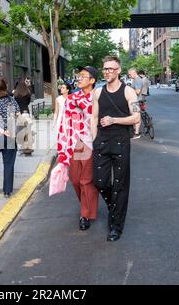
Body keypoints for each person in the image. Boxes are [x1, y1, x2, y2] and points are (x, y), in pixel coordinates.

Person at [91, 55, 140, 242]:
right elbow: (94, 118)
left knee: (120, 185)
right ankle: (115, 207)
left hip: (121, 142)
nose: (107, 72)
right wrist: (93, 140)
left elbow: (136, 117)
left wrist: (114, 120)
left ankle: (116, 226)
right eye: (105, 69)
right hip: (102, 142)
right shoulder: (97, 92)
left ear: (119, 70)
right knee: (100, 182)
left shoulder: (129, 92)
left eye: (111, 68)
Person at [56, 66, 99, 231]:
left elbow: (92, 114)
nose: (79, 78)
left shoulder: (97, 97)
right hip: (75, 143)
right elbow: (65, 123)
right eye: (79, 76)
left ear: (92, 80)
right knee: (75, 179)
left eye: (83, 76)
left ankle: (85, 214)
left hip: (90, 142)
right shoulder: (71, 98)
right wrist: (62, 147)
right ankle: (87, 206)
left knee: (86, 180)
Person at [13, 80, 34, 155]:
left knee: (20, 132)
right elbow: (28, 102)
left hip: (19, 114)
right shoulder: (28, 93)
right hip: (26, 113)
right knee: (28, 131)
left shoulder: (15, 94)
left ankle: (21, 148)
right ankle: (28, 147)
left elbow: (14, 105)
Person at [128, 68, 143, 139]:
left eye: (130, 74)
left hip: (136, 101)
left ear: (134, 73)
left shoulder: (137, 80)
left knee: (137, 116)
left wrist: (129, 89)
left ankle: (137, 133)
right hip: (135, 100)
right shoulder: (135, 80)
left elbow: (138, 91)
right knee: (134, 115)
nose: (129, 76)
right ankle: (135, 131)